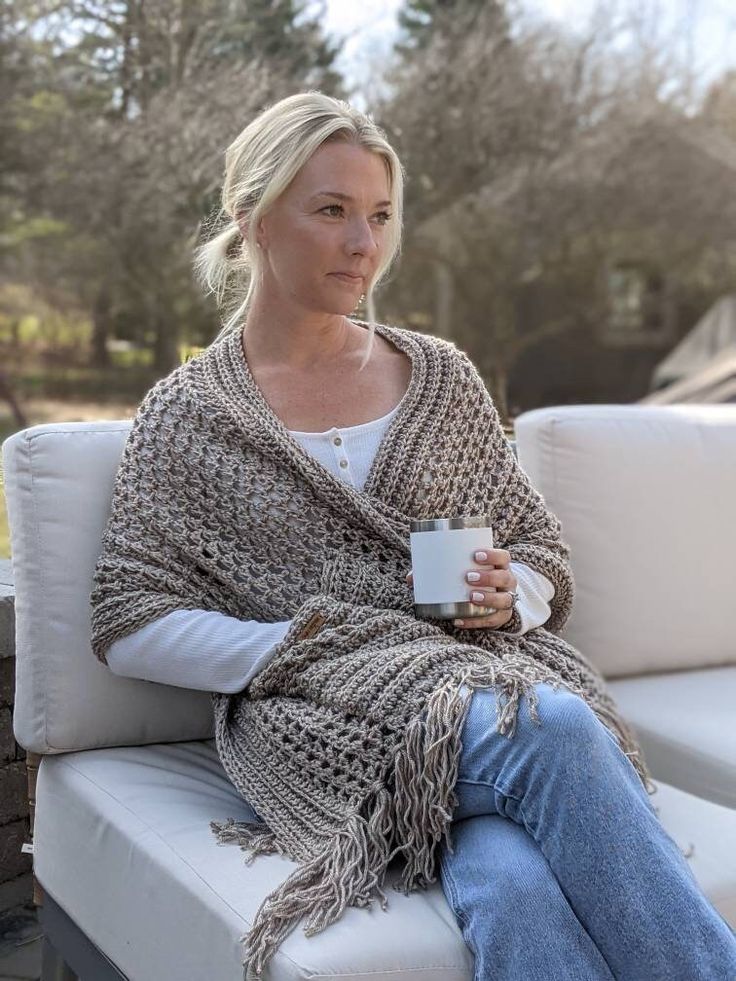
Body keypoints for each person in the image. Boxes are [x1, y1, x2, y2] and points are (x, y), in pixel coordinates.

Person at [90, 92, 736, 980]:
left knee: (513, 889)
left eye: (381, 216)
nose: (365, 245)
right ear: (253, 222)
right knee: (550, 726)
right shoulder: (190, 415)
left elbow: (536, 547)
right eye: (332, 212)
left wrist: (518, 591)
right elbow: (129, 619)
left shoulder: (439, 376)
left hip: (473, 682)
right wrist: (304, 648)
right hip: (322, 724)